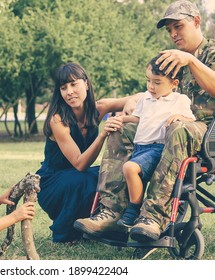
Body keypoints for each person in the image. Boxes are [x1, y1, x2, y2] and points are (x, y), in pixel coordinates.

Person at [75, 0, 215, 243]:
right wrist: (127, 103)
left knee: (179, 129)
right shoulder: (173, 61)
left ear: (197, 22)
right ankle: (111, 211)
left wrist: (191, 61)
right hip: (173, 127)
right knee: (121, 127)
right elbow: (156, 91)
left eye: (178, 27)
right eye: (169, 30)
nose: (173, 34)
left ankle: (154, 217)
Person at [35, 62, 138, 243]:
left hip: (77, 176)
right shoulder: (57, 120)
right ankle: (65, 232)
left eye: (74, 84)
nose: (69, 92)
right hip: (52, 182)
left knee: (115, 173)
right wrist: (103, 134)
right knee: (85, 179)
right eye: (63, 87)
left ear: (86, 84)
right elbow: (80, 164)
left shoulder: (98, 108)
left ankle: (112, 225)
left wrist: (130, 101)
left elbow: (142, 95)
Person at [116, 54, 195, 228]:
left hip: (157, 148)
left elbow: (191, 120)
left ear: (174, 83)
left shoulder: (179, 100)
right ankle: (131, 212)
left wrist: (179, 116)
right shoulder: (146, 97)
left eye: (157, 82)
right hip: (140, 147)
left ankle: (133, 209)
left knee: (130, 168)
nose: (151, 86)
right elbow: (138, 118)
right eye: (148, 80)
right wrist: (122, 119)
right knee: (135, 176)